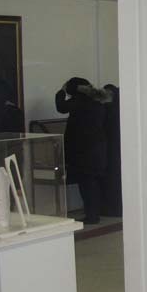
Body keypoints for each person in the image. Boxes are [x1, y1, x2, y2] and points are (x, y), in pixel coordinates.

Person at [56, 78, 111, 224]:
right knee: (93, 183)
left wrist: (61, 92)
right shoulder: (97, 101)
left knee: (86, 184)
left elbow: (61, 107)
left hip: (83, 151)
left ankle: (92, 216)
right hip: (98, 147)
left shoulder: (79, 101)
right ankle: (95, 213)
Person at [101, 84, 123, 217]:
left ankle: (111, 207)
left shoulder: (106, 109)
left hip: (109, 149)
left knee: (111, 179)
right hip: (118, 148)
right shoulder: (121, 108)